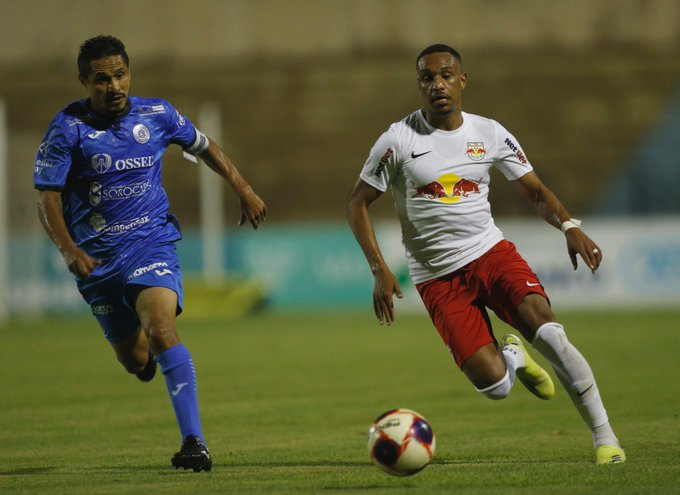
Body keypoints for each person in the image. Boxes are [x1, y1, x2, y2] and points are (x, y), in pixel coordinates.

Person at [346, 44, 625, 464]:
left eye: (445, 75)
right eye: (427, 77)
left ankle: (606, 440)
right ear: (419, 85)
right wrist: (379, 269)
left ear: (462, 80)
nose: (437, 84)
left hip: (490, 255)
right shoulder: (396, 140)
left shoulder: (490, 133)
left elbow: (534, 190)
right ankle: (512, 356)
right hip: (437, 278)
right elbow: (357, 203)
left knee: (551, 334)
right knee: (495, 386)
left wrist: (570, 225)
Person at [34, 35, 267, 472]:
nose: (114, 86)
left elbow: (204, 145)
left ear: (129, 73)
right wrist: (68, 249)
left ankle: (193, 442)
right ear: (84, 81)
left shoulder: (156, 114)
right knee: (135, 359)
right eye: (102, 79)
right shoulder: (68, 128)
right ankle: (142, 362)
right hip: (97, 263)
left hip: (151, 243)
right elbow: (46, 198)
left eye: (120, 75)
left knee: (162, 331)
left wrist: (244, 188)